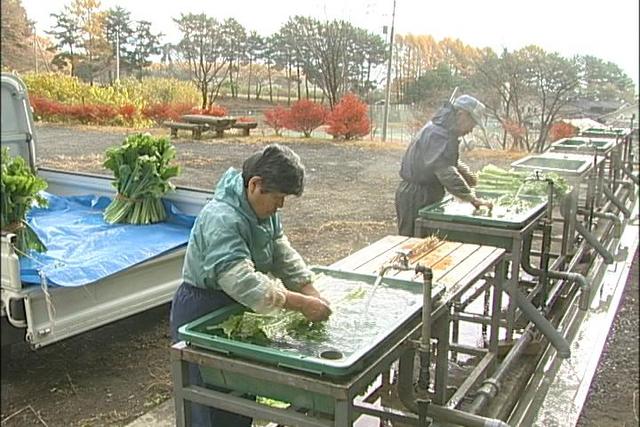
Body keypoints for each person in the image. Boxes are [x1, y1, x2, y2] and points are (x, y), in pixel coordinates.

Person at [170, 143, 332, 427]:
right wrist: (301, 304)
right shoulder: (221, 217)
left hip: (236, 307)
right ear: (255, 185)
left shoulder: (262, 212)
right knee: (208, 402)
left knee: (240, 396)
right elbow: (240, 280)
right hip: (202, 308)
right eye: (278, 197)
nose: (280, 206)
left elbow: (280, 250)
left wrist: (309, 288)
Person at [395, 94, 494, 236]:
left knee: (428, 241)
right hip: (416, 194)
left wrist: (468, 177)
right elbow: (445, 170)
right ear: (461, 114)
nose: (472, 129)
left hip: (428, 191)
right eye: (472, 123)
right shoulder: (437, 133)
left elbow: (447, 160)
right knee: (413, 242)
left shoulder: (446, 131)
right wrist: (472, 198)